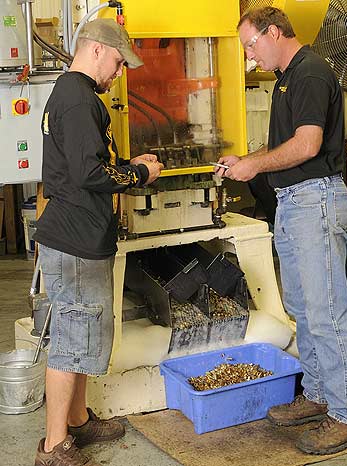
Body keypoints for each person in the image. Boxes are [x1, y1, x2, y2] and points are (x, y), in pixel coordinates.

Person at [216, 6, 347, 455]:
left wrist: (254, 166)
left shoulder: (310, 73)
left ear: (273, 31)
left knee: (326, 312)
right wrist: (246, 158)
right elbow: (286, 143)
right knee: (304, 308)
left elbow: (308, 145)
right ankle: (321, 395)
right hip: (292, 202)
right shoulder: (286, 78)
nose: (249, 55)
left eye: (250, 44)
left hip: (315, 200)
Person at [33, 18, 163, 466]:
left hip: (82, 238)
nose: (119, 71)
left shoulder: (80, 97)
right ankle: (54, 447)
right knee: (71, 340)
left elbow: (89, 162)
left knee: (83, 333)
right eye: (118, 61)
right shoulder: (76, 99)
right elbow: (89, 174)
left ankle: (78, 422)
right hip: (73, 242)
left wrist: (129, 162)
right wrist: (140, 174)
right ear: (95, 50)